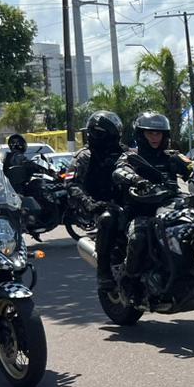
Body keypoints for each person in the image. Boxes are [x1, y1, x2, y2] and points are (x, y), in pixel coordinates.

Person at [112, 113, 193, 297]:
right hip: (140, 210)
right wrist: (136, 179)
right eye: (150, 133)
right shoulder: (132, 157)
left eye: (159, 133)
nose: (156, 137)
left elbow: (193, 169)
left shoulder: (172, 157)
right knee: (138, 237)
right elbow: (120, 170)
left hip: (170, 208)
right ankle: (129, 281)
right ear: (141, 134)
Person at [68, 111, 126, 289]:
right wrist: (89, 203)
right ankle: (103, 271)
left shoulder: (125, 153)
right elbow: (72, 184)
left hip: (126, 202)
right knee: (107, 219)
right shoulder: (84, 156)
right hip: (98, 205)